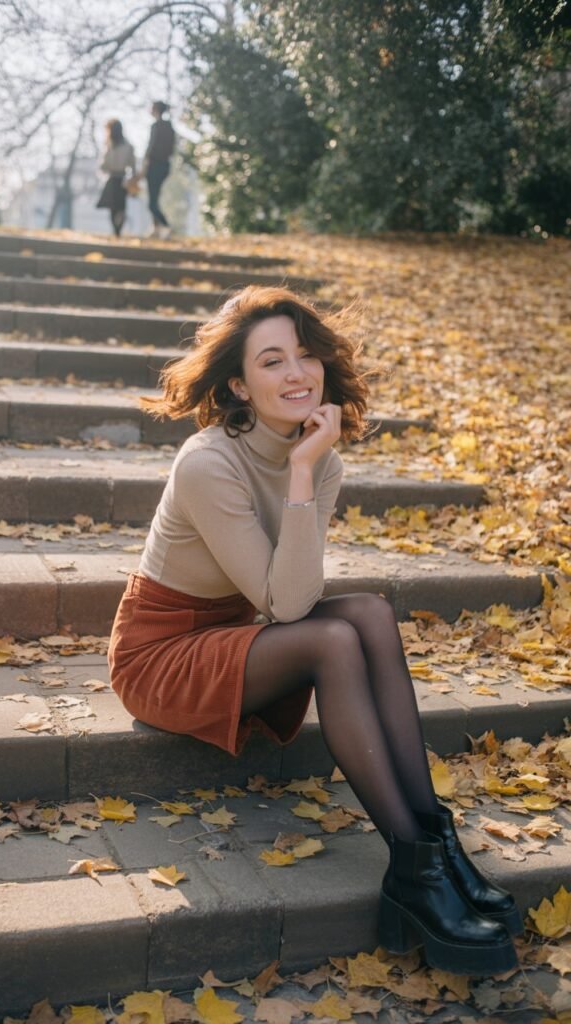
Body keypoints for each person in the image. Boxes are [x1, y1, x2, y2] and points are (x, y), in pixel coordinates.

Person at [108, 286, 521, 976]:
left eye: (305, 356)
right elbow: (291, 608)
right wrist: (300, 469)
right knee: (332, 638)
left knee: (368, 613)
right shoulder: (209, 462)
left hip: (239, 629)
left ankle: (433, 844)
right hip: (162, 654)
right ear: (238, 383)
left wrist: (310, 465)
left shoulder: (324, 457)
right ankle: (414, 872)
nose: (296, 373)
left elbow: (285, 598)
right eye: (272, 361)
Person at [96, 119, 137, 237]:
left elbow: (103, 165)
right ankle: (117, 230)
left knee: (113, 208)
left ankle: (116, 230)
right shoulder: (128, 146)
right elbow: (132, 165)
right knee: (121, 207)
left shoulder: (109, 145)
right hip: (123, 179)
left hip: (113, 178)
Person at [142, 100, 175, 238]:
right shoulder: (169, 127)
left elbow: (151, 147)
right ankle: (155, 229)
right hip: (165, 166)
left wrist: (145, 164)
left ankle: (165, 226)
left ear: (156, 110)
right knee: (154, 198)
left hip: (155, 166)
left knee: (152, 203)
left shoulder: (156, 126)